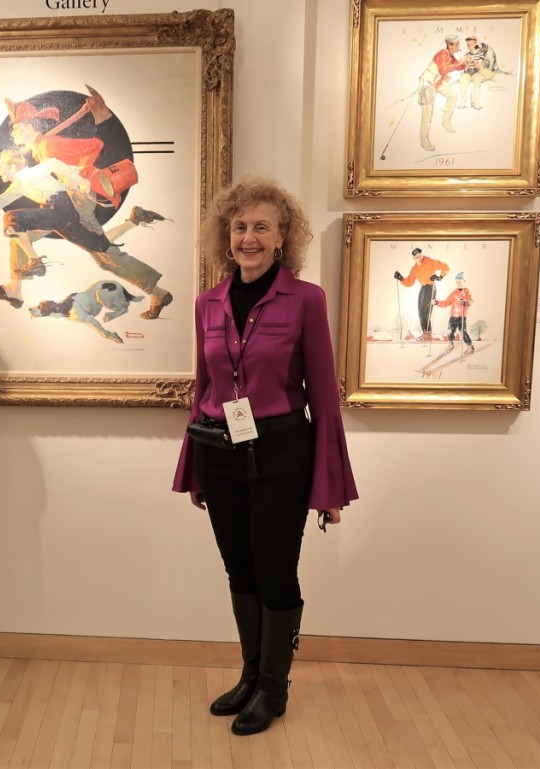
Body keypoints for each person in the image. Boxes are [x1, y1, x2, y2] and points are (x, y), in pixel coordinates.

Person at [172, 177, 357, 736]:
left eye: (261, 227)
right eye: (239, 226)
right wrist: (194, 467)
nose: (248, 237)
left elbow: (324, 397)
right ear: (225, 235)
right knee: (239, 569)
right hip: (219, 451)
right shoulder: (208, 303)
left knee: (276, 572)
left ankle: (275, 689)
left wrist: (329, 486)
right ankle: (251, 674)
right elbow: (203, 388)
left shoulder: (306, 300)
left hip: (281, 452)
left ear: (283, 238)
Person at [0, 147, 171, 317]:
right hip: (61, 206)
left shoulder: (35, 164)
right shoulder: (22, 179)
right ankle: (14, 288)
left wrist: (76, 179)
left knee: (104, 253)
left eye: (1, 166)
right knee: (19, 237)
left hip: (73, 200)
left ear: (12, 166)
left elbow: (57, 164)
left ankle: (157, 291)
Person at [417, 34, 466, 152]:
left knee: (453, 95)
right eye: (457, 44)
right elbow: (443, 69)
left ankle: (446, 121)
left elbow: (458, 67)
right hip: (427, 83)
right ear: (450, 45)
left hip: (436, 83)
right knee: (427, 114)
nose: (459, 46)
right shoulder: (442, 53)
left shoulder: (451, 56)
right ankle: (424, 140)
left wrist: (466, 63)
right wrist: (460, 63)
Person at [395, 248, 450, 341]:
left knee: (425, 310)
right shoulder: (415, 268)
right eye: (416, 257)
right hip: (423, 288)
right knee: (420, 311)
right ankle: (425, 333)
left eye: (420, 256)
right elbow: (410, 282)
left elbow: (446, 267)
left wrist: (439, 277)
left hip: (431, 286)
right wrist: (400, 278)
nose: (419, 259)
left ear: (422, 255)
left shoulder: (430, 262)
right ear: (414, 258)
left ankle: (428, 334)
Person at [435, 271, 474, 354]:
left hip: (462, 316)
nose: (459, 283)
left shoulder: (467, 291)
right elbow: (446, 302)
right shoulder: (453, 293)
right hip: (453, 316)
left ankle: (470, 346)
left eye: (460, 281)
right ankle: (451, 344)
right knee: (450, 331)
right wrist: (437, 303)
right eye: (457, 282)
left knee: (462, 332)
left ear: (464, 281)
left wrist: (465, 302)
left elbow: (471, 301)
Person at [459, 36, 501, 110]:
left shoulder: (480, 55)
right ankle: (462, 102)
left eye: (471, 44)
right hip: (468, 73)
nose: (470, 46)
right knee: (463, 78)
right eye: (468, 45)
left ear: (475, 44)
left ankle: (476, 103)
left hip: (476, 72)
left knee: (477, 79)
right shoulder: (466, 55)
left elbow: (479, 67)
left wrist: (474, 61)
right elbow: (465, 70)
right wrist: (467, 62)